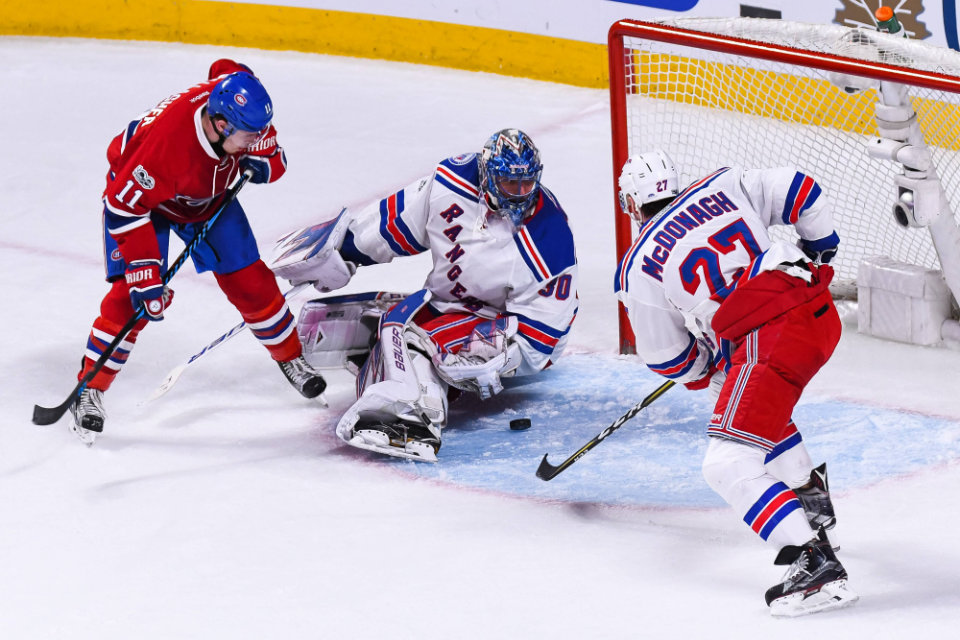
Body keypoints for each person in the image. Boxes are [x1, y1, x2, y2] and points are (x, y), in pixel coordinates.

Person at [615, 150, 857, 616]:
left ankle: (816, 564)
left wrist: (703, 362)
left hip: (774, 340)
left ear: (631, 205)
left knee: (725, 463)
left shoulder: (638, 265)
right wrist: (820, 248)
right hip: (817, 310)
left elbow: (669, 358)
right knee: (740, 393)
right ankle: (808, 498)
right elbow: (800, 187)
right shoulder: (723, 184)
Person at [270, 129, 578, 462]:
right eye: (509, 184)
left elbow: (549, 331)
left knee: (417, 337)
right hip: (449, 303)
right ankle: (393, 364)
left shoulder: (550, 234)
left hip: (506, 327)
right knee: (396, 319)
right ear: (487, 175)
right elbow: (395, 225)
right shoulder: (451, 182)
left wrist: (505, 357)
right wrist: (344, 254)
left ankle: (415, 415)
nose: (519, 195)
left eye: (527, 184)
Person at [68, 59, 326, 444]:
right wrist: (144, 271)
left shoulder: (232, 99)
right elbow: (124, 206)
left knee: (252, 281)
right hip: (143, 205)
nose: (255, 140)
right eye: (248, 136)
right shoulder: (165, 151)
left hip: (204, 198)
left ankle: (290, 357)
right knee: (132, 301)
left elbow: (226, 68)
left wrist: (267, 156)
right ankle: (90, 388)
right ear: (220, 125)